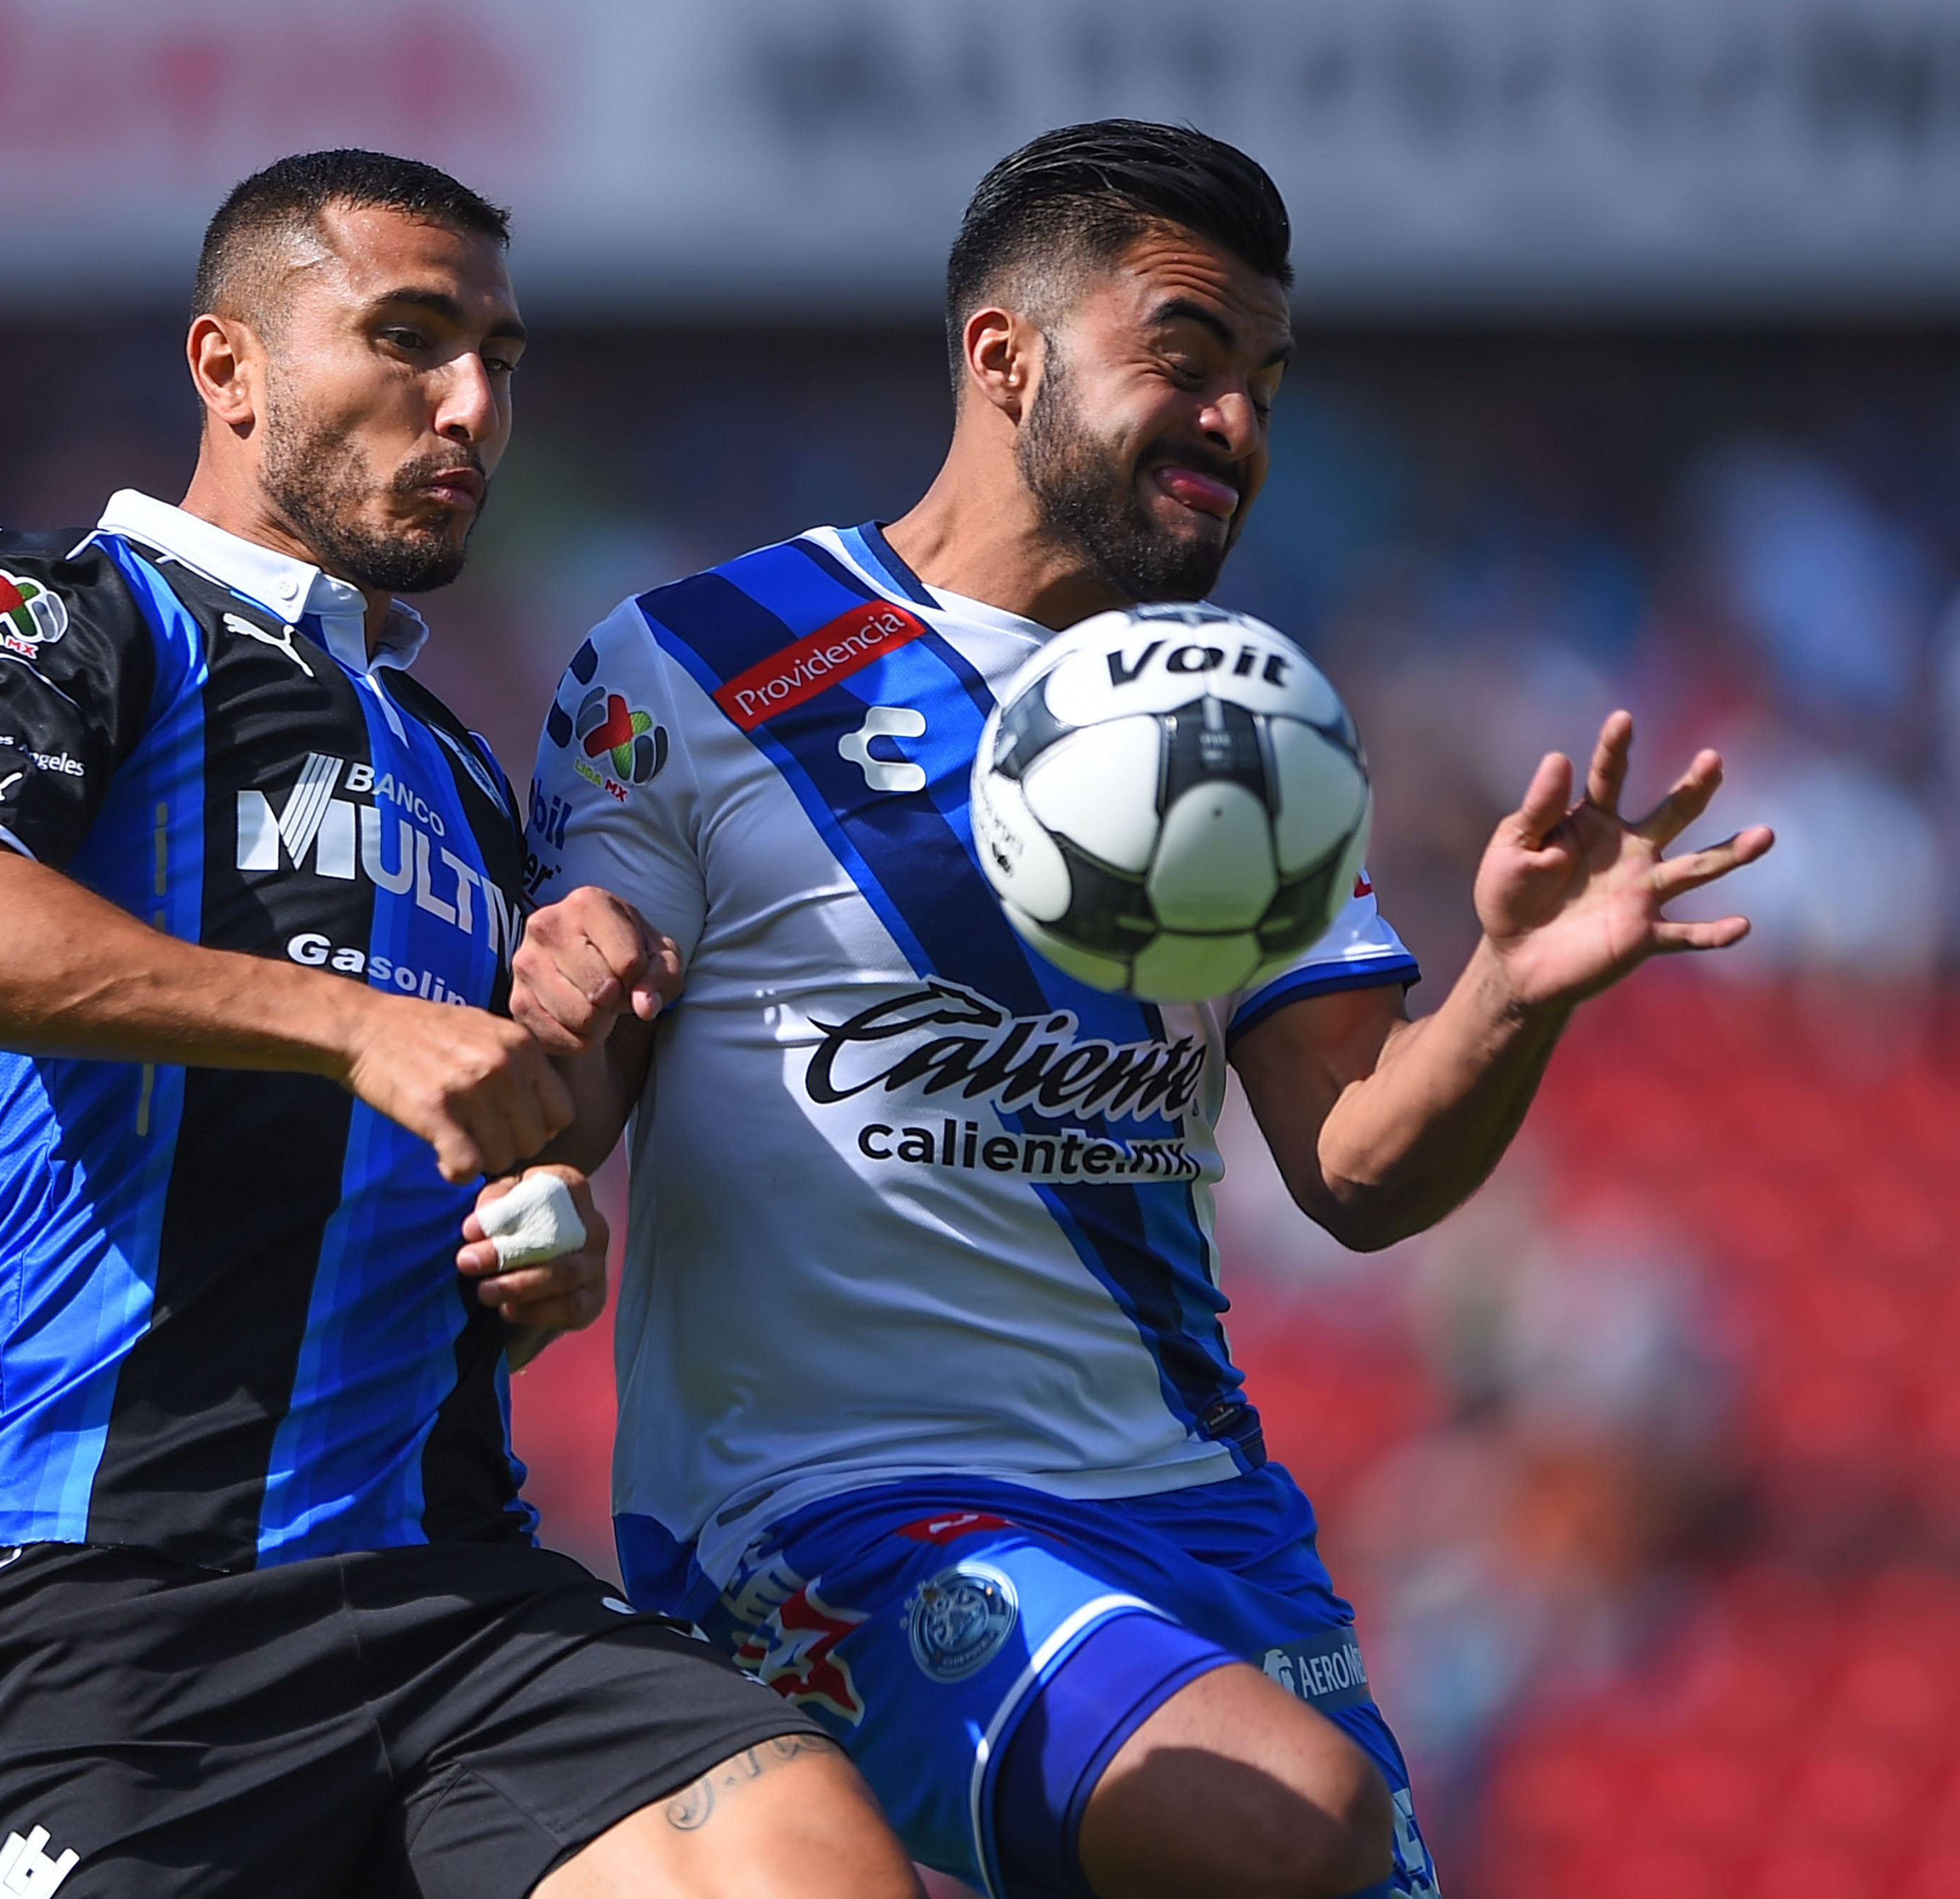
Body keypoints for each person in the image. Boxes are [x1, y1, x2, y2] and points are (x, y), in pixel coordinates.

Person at [520, 121, 1773, 1899]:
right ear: (1002, 354)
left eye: (1261, 379)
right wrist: (554, 1002)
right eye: (1184, 359)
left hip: (1200, 1526)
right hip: (829, 1529)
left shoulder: (1238, 713)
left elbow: (1351, 1165)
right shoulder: (695, 661)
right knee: (1284, 1824)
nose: (1235, 425)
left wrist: (1509, 986)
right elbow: (571, 1100)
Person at [0, 149, 918, 1899]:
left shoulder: (462, 769)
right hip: (119, 1607)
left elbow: (504, 1130)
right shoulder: (65, 609)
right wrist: (359, 1026)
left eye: (498, 356)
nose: (471, 403)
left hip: (453, 1594)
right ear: (228, 367)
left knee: (803, 1862)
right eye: (407, 339)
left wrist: (555, 1170)